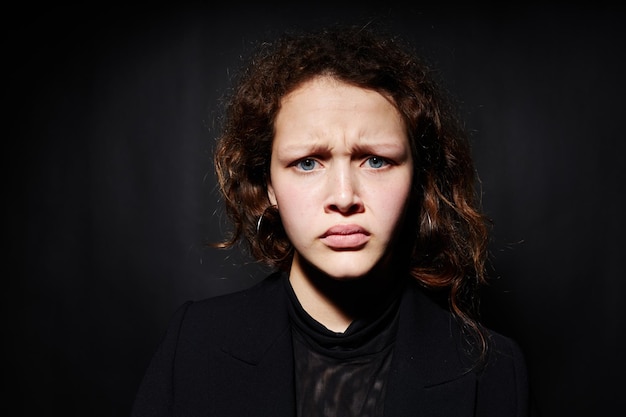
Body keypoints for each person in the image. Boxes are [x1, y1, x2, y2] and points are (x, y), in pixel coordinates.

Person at [131, 23, 530, 417]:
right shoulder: (195, 342)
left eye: (376, 160)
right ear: (268, 184)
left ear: (418, 180)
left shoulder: (492, 369)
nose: (343, 197)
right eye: (307, 163)